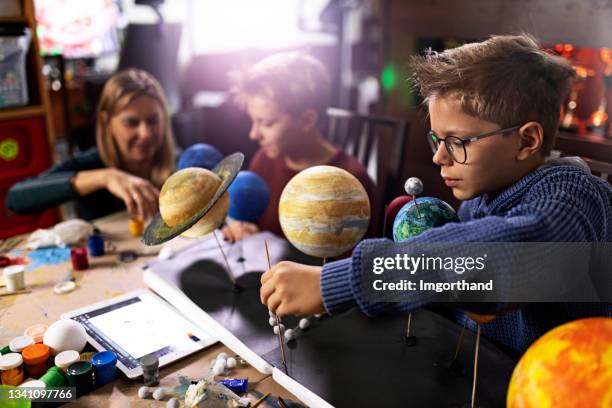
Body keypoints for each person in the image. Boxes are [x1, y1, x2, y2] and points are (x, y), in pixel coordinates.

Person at [259, 34, 612, 356]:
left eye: (457, 142)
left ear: (526, 141)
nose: (438, 157)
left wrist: (340, 283)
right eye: (436, 139)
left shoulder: (573, 199)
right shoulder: (481, 196)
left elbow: (501, 258)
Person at [222, 52, 376, 241]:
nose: (253, 134)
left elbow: (354, 265)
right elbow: (254, 223)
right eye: (253, 121)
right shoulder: (264, 161)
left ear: (306, 120)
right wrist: (244, 228)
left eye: (267, 123)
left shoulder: (350, 183)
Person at [7, 69, 176, 221]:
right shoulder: (90, 164)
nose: (145, 133)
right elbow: (15, 198)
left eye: (153, 121)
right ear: (107, 122)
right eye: (131, 123)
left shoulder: (181, 161)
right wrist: (106, 177)